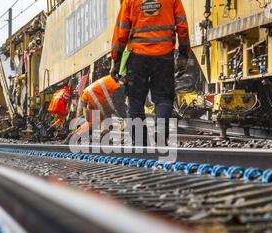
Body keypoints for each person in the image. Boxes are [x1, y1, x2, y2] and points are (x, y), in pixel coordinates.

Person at [111, 0, 191, 146]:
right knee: (163, 99)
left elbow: (120, 32)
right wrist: (183, 54)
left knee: (135, 100)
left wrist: (116, 60)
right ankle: (160, 137)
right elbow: (182, 26)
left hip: (137, 57)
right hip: (164, 56)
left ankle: (140, 142)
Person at [66, 75, 126, 142]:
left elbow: (116, 105)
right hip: (92, 97)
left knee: (105, 116)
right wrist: (126, 119)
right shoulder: (119, 86)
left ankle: (103, 135)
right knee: (93, 122)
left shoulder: (115, 82)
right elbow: (119, 106)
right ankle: (72, 137)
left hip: (91, 96)